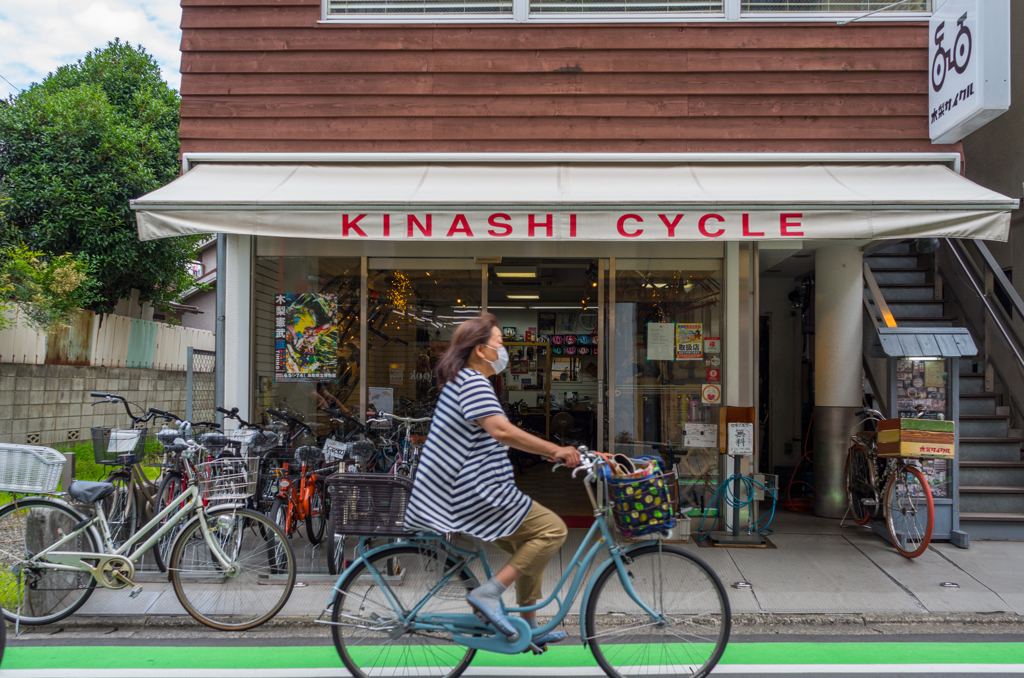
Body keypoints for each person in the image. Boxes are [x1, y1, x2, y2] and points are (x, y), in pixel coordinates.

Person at [404, 313, 581, 648]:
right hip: (470, 491)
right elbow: (501, 430)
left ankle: (531, 627)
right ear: (481, 350)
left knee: (529, 548)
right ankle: (488, 595)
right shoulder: (472, 381)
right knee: (552, 530)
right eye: (499, 344)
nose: (504, 351)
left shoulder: (464, 380)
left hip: (464, 488)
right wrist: (555, 450)